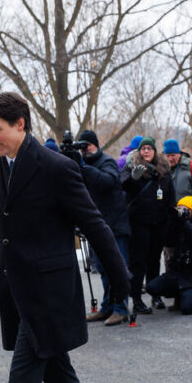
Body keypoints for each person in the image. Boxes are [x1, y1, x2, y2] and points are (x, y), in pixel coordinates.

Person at [0, 92, 130, 383]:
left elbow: (94, 224)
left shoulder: (57, 168)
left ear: (20, 123)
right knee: (58, 374)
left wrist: (120, 278)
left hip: (49, 296)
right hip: (14, 293)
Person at [76, 130, 131, 325]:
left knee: (118, 268)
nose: (85, 150)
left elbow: (109, 182)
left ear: (95, 145)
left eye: (87, 146)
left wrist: (84, 167)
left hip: (114, 226)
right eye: (82, 147)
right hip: (96, 227)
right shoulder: (83, 166)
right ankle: (107, 307)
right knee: (102, 269)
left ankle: (121, 309)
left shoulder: (107, 162)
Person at [120, 136, 175, 314]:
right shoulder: (132, 167)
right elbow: (123, 186)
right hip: (138, 222)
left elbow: (170, 196)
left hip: (159, 222)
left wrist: (171, 215)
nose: (146, 151)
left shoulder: (164, 170)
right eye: (143, 148)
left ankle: (155, 294)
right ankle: (136, 299)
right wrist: (133, 178)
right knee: (138, 263)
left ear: (154, 151)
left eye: (149, 148)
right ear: (139, 151)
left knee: (154, 260)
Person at [146, 196, 192, 314]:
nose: (182, 213)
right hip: (177, 273)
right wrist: (173, 222)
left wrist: (185, 223)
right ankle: (180, 294)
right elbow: (168, 242)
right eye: (180, 210)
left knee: (187, 309)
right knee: (151, 287)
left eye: (185, 210)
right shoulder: (177, 224)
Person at [164, 138, 192, 216]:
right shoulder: (163, 170)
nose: (170, 159)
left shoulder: (190, 167)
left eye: (173, 155)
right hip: (170, 215)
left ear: (179, 154)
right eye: (168, 155)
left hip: (188, 215)